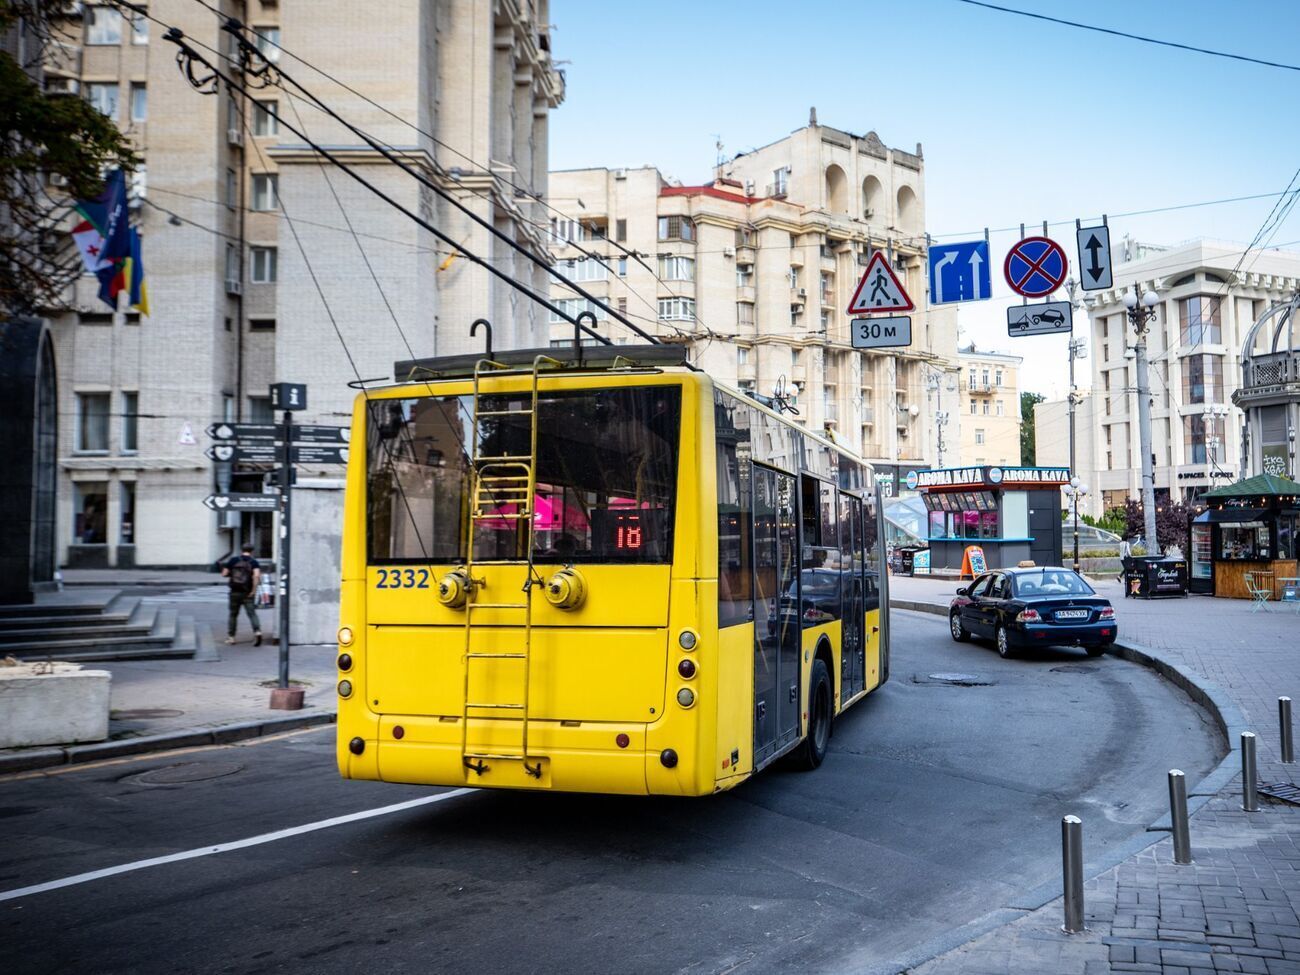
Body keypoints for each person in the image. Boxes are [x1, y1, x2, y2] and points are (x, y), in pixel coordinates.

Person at [222, 543, 263, 645]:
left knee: (233, 615)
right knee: (252, 614)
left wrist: (231, 573)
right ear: (252, 551)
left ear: (242, 549)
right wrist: (253, 590)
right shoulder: (254, 562)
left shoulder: (233, 560)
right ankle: (257, 632)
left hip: (234, 592)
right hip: (247, 592)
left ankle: (231, 637)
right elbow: (256, 576)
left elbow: (224, 574)